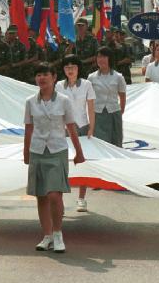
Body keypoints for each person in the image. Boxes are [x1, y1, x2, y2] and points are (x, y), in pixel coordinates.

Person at [23, 63, 85, 253]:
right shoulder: (30, 101)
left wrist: (79, 151)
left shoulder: (64, 101)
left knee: (54, 194)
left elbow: (71, 126)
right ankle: (47, 236)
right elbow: (28, 127)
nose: (42, 78)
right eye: (38, 75)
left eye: (45, 74)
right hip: (37, 150)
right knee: (41, 195)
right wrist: (26, 152)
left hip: (57, 150)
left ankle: (58, 234)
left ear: (54, 77)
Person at [59, 55, 97, 213]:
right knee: (61, 164)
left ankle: (81, 199)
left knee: (82, 163)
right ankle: (59, 201)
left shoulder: (87, 84)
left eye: (73, 67)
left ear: (78, 68)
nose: (70, 70)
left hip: (82, 127)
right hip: (64, 129)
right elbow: (56, 108)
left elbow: (90, 106)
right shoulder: (59, 86)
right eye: (67, 67)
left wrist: (91, 127)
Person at [88, 47, 127, 149]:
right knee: (101, 144)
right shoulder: (91, 77)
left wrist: (120, 111)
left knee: (116, 142)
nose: (101, 59)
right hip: (98, 114)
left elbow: (122, 96)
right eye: (99, 57)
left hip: (114, 113)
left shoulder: (118, 77)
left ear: (110, 58)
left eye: (104, 57)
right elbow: (89, 99)